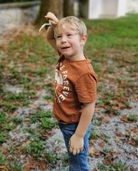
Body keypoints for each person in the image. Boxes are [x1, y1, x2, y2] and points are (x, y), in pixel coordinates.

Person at [43, 11, 97, 171]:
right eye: (59, 37)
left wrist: (79, 135)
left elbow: (89, 107)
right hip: (66, 121)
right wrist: (55, 26)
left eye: (69, 35)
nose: (62, 40)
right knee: (74, 156)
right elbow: (49, 38)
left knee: (78, 164)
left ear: (82, 39)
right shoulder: (66, 55)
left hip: (74, 125)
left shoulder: (83, 73)